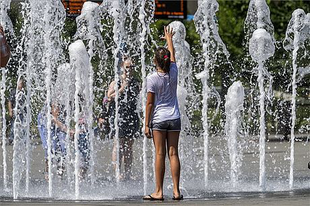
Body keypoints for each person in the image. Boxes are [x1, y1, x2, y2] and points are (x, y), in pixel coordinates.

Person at [143, 26, 183, 201]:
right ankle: (176, 191)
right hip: (174, 118)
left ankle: (158, 191)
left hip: (159, 120)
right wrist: (169, 39)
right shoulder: (173, 71)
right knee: (173, 153)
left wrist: (146, 124)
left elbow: (150, 103)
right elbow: (172, 54)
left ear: (155, 62)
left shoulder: (152, 78)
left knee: (160, 154)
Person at [108, 57, 140, 181]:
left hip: (132, 115)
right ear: (122, 67)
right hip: (118, 115)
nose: (129, 70)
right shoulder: (116, 81)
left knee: (129, 145)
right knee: (118, 144)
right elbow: (109, 96)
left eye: (132, 67)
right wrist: (122, 88)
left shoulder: (136, 81)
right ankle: (117, 172)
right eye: (127, 67)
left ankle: (127, 173)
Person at [38, 103, 71, 180]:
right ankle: (47, 172)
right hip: (46, 125)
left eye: (59, 109)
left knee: (63, 147)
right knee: (49, 148)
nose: (58, 111)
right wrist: (70, 131)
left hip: (56, 122)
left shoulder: (61, 110)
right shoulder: (46, 116)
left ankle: (60, 173)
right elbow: (61, 126)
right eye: (57, 109)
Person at [8, 78, 26, 145]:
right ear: (17, 84)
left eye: (22, 83)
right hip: (16, 112)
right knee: (13, 125)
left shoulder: (24, 92)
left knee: (24, 125)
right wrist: (10, 111)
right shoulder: (14, 92)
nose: (22, 85)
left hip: (23, 112)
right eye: (20, 83)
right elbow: (9, 101)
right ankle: (11, 138)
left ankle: (24, 139)